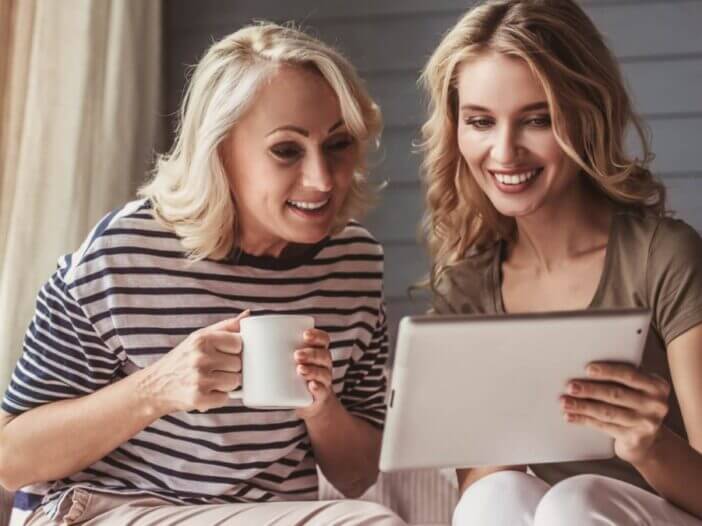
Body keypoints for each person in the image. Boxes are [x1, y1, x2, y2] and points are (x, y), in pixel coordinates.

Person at [0, 22, 405, 526]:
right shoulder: (122, 254)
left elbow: (355, 475)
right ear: (220, 152)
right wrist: (156, 389)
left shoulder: (353, 264)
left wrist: (321, 407)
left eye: (338, 145)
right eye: (287, 150)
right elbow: (12, 459)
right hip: (100, 509)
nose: (321, 179)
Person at [419, 0, 702, 524]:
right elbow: (481, 490)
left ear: (586, 115)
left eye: (537, 119)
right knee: (492, 496)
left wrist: (649, 446)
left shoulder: (664, 258)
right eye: (480, 121)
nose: (504, 152)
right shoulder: (468, 287)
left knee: (577, 502)